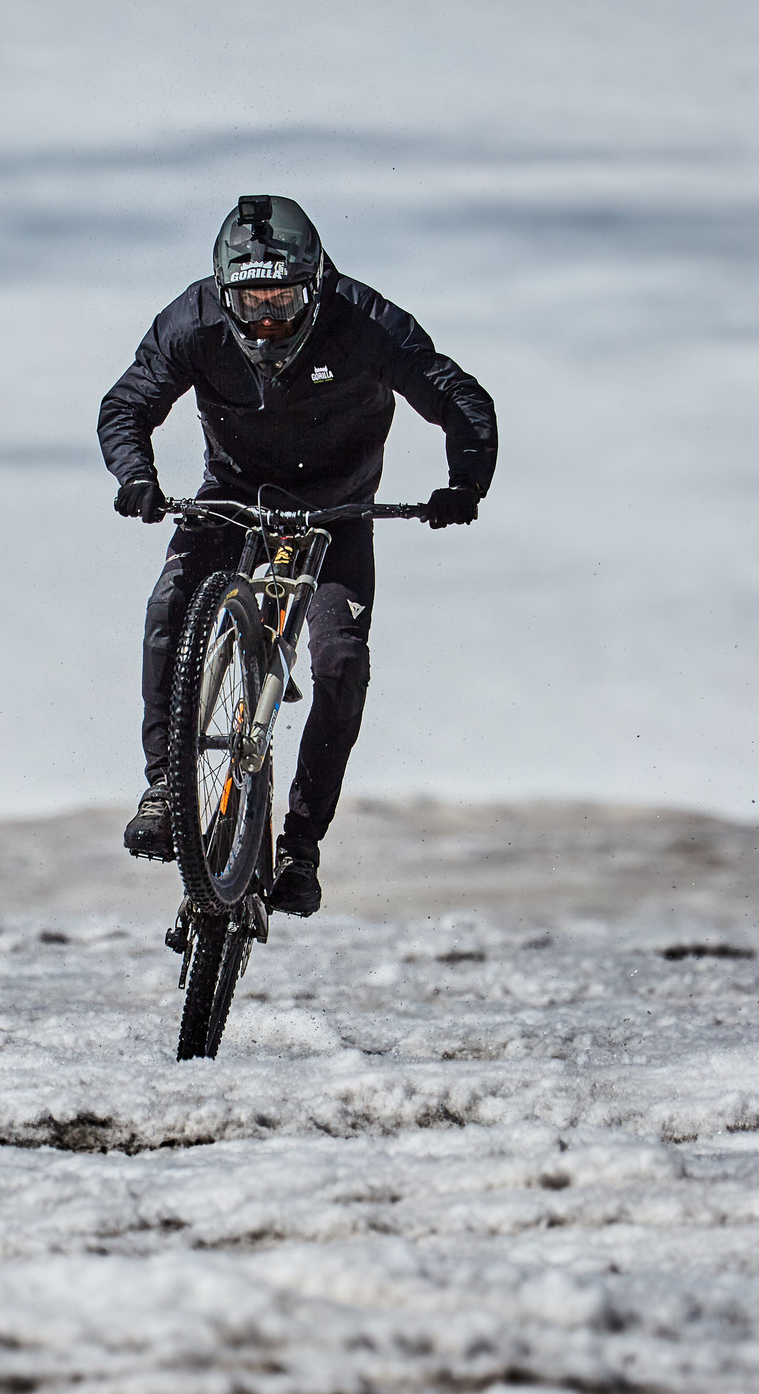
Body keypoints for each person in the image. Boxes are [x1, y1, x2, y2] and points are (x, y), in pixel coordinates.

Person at [98, 194, 496, 917]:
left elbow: (453, 393)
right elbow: (127, 403)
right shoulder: (191, 322)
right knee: (169, 605)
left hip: (339, 510)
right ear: (224, 295)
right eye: (251, 302)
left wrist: (464, 481)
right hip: (231, 495)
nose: (270, 318)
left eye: (284, 296)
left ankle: (301, 846)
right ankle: (164, 786)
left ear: (317, 283)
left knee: (341, 664)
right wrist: (136, 476)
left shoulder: (369, 322)